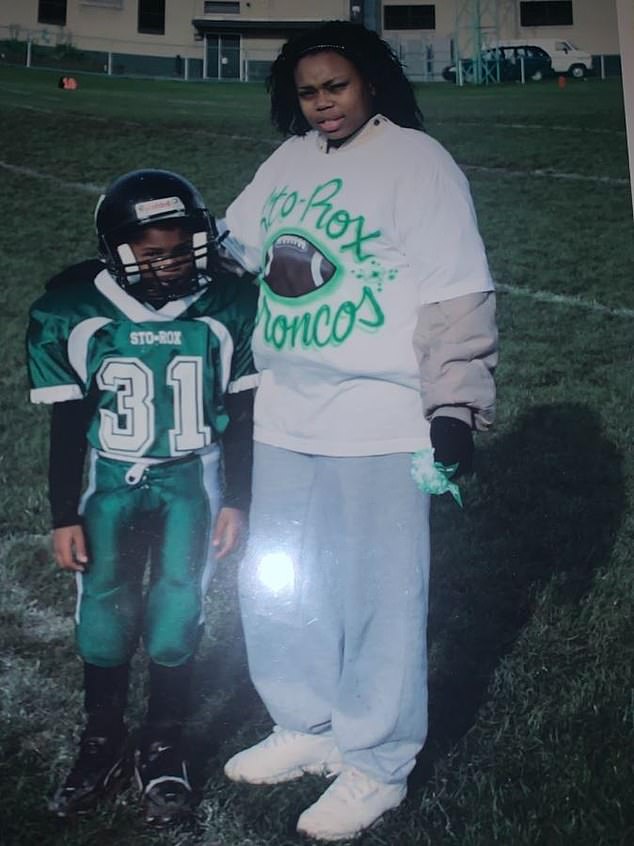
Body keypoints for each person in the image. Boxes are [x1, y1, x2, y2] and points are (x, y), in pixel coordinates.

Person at [218, 20, 498, 841]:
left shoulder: (417, 161)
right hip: (283, 414)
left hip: (380, 419)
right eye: (307, 92)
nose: (322, 103)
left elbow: (458, 298)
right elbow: (233, 252)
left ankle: (375, 764)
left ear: (370, 80)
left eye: (335, 85)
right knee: (281, 584)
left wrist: (454, 409)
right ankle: (306, 725)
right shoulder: (290, 161)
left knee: (381, 599)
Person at [26, 169, 258, 826]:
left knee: (178, 610)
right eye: (152, 252)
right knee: (103, 611)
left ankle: (164, 739)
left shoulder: (228, 304)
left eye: (181, 247)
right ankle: (100, 738)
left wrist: (237, 498)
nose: (170, 262)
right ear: (117, 252)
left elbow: (242, 413)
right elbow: (67, 423)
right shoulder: (72, 309)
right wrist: (63, 514)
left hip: (194, 478)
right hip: (110, 479)